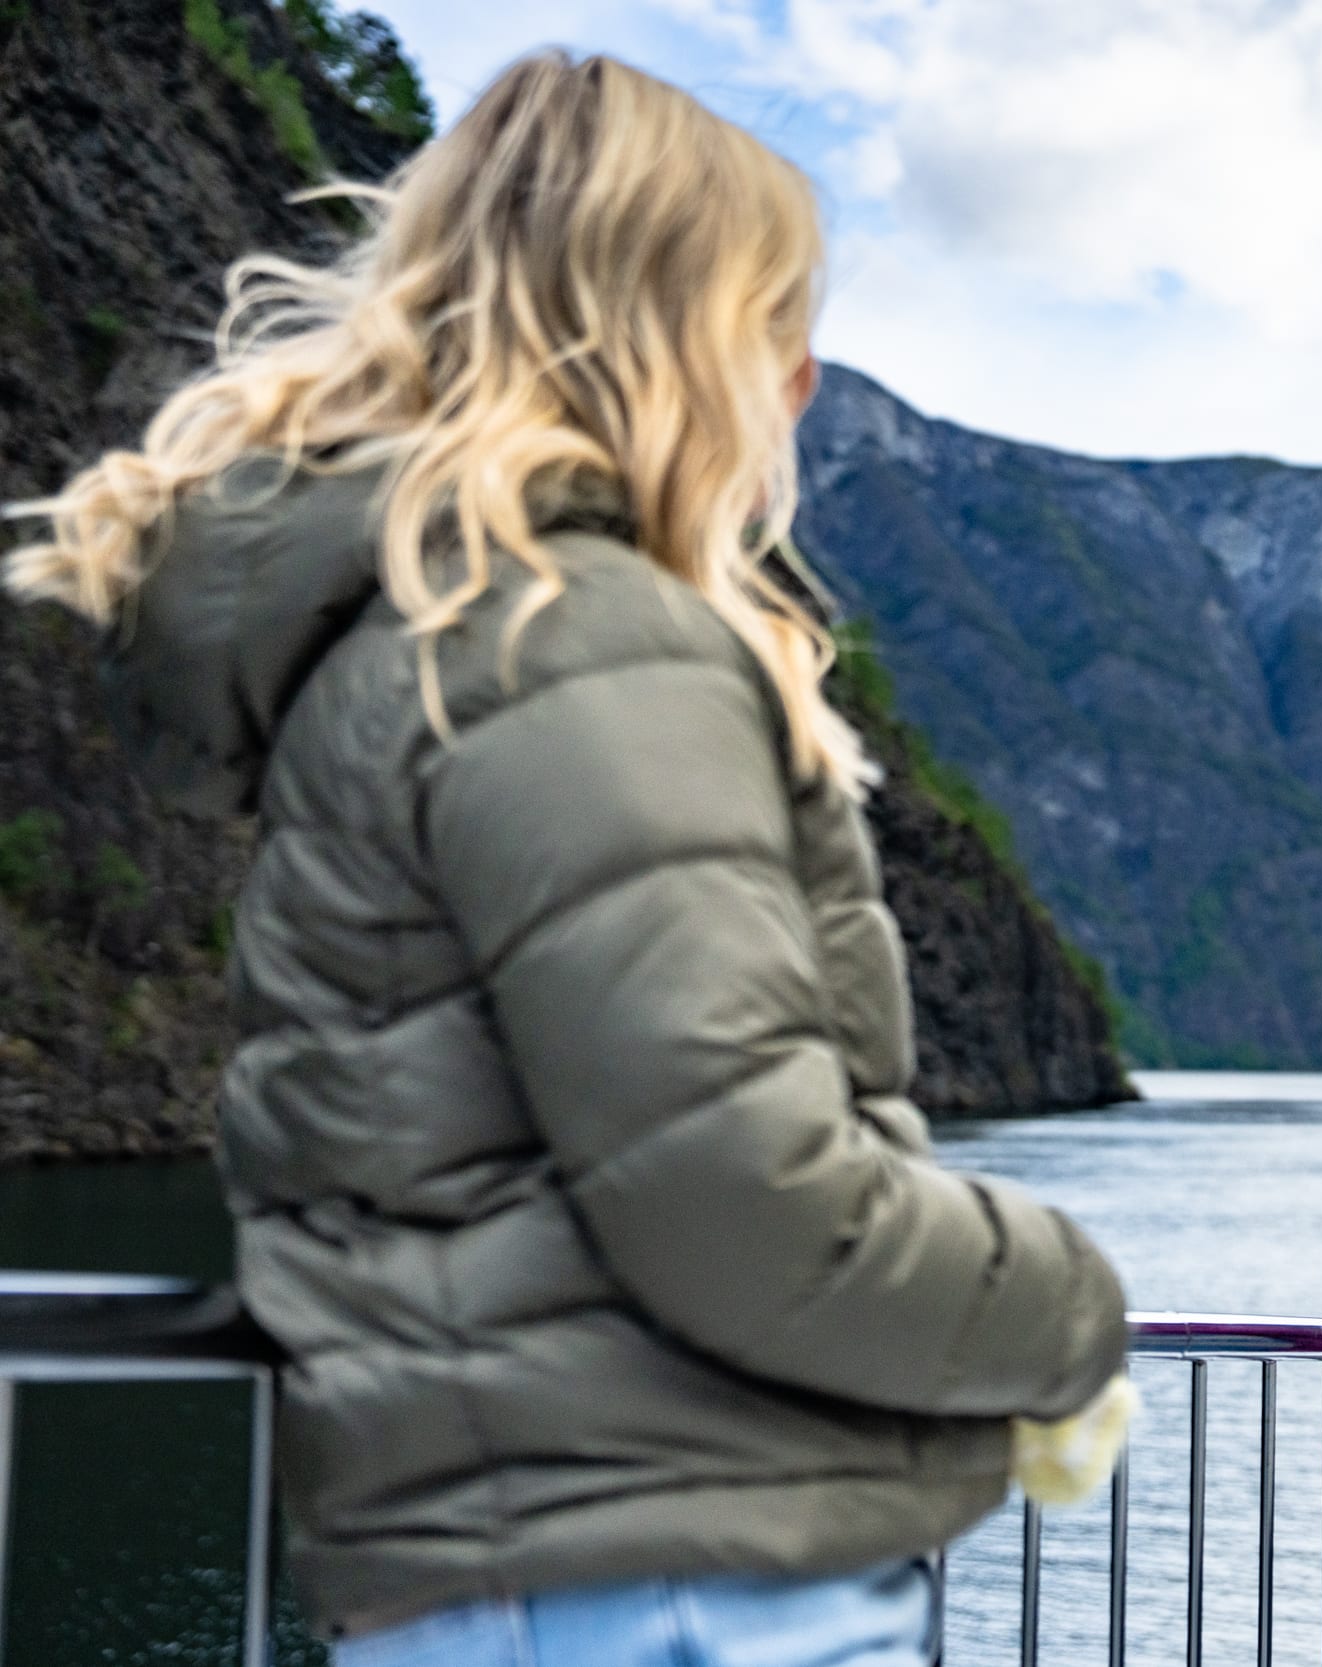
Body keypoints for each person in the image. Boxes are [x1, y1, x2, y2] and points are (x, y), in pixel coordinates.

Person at [4, 54, 1130, 1667]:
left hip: (521, 1571)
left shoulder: (427, 637)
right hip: (676, 1583)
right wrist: (1069, 1310)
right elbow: (745, 1192)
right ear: (687, 340)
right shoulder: (578, 642)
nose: (802, 386)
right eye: (779, 324)